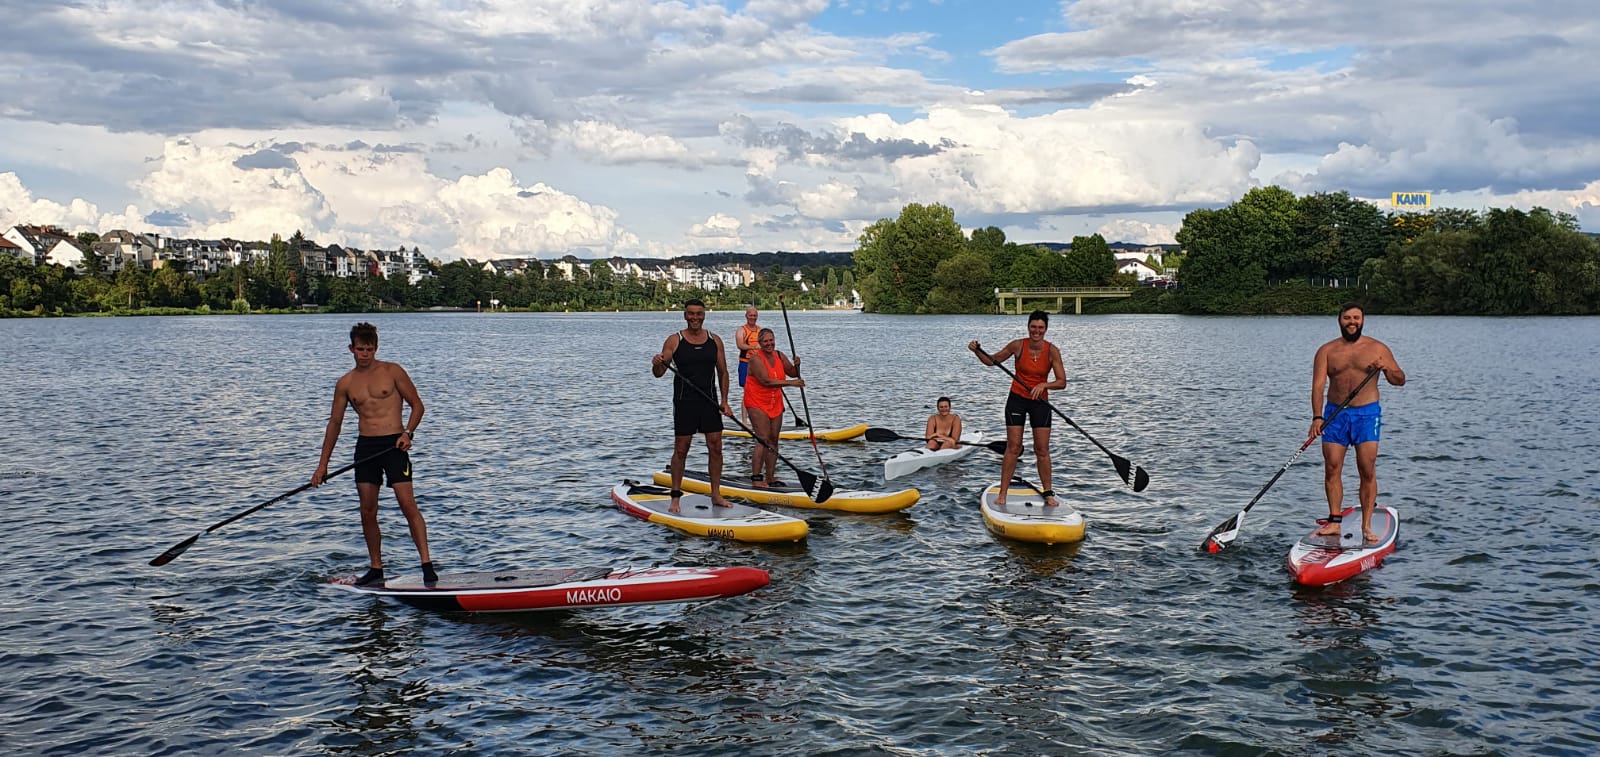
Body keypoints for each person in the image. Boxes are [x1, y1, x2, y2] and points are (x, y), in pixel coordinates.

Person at [312, 322, 435, 587]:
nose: (365, 354)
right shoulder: (345, 383)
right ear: (351, 349)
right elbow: (334, 423)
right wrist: (322, 466)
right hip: (365, 447)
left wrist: (408, 434)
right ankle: (376, 568)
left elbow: (418, 406)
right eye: (360, 349)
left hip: (394, 445)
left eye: (369, 349)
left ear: (376, 348)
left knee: (407, 505)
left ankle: (427, 565)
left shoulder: (392, 371)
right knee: (367, 510)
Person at [1309, 302, 1406, 543]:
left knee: (1366, 468)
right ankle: (1334, 522)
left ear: (1362, 320)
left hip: (1366, 414)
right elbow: (1318, 386)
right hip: (1334, 414)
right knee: (1332, 467)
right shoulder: (1327, 351)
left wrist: (1387, 369)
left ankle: (1366, 526)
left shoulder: (1378, 349)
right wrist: (1317, 416)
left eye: (1356, 318)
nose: (1352, 322)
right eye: (1347, 318)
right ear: (1339, 320)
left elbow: (1400, 380)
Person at [968, 310, 1067, 506]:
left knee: (1042, 450)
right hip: (1017, 400)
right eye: (1033, 327)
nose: (1036, 331)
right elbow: (992, 361)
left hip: (1040, 403)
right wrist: (977, 351)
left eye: (1040, 328)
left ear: (1045, 329)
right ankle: (1003, 493)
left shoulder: (1052, 351)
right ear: (1028, 327)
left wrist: (1044, 385)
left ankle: (1048, 493)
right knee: (1013, 447)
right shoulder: (1017, 345)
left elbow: (1062, 382)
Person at [651, 299, 734, 511]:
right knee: (681, 449)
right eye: (691, 314)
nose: (695, 317)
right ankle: (675, 497)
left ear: (704, 315)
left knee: (715, 447)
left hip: (709, 401)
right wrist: (657, 364)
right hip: (684, 402)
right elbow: (659, 373)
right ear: (685, 316)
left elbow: (723, 373)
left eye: (699, 313)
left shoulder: (714, 340)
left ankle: (716, 494)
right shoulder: (674, 340)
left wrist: (724, 401)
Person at [742, 327, 803, 487]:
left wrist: (797, 366)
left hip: (775, 401)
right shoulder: (755, 359)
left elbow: (792, 373)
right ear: (760, 343)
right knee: (763, 438)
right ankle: (756, 477)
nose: (769, 344)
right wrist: (792, 384)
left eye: (771, 340)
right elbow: (766, 381)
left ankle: (770, 477)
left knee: (774, 439)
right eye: (765, 341)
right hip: (756, 401)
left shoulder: (779, 355)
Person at [733, 306, 761, 424]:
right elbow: (740, 345)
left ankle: (759, 420)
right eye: (750, 315)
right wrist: (753, 347)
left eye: (754, 316)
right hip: (745, 363)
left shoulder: (760, 330)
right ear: (746, 316)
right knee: (747, 392)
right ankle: (744, 421)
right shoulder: (741, 330)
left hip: (758, 364)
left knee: (759, 391)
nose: (752, 318)